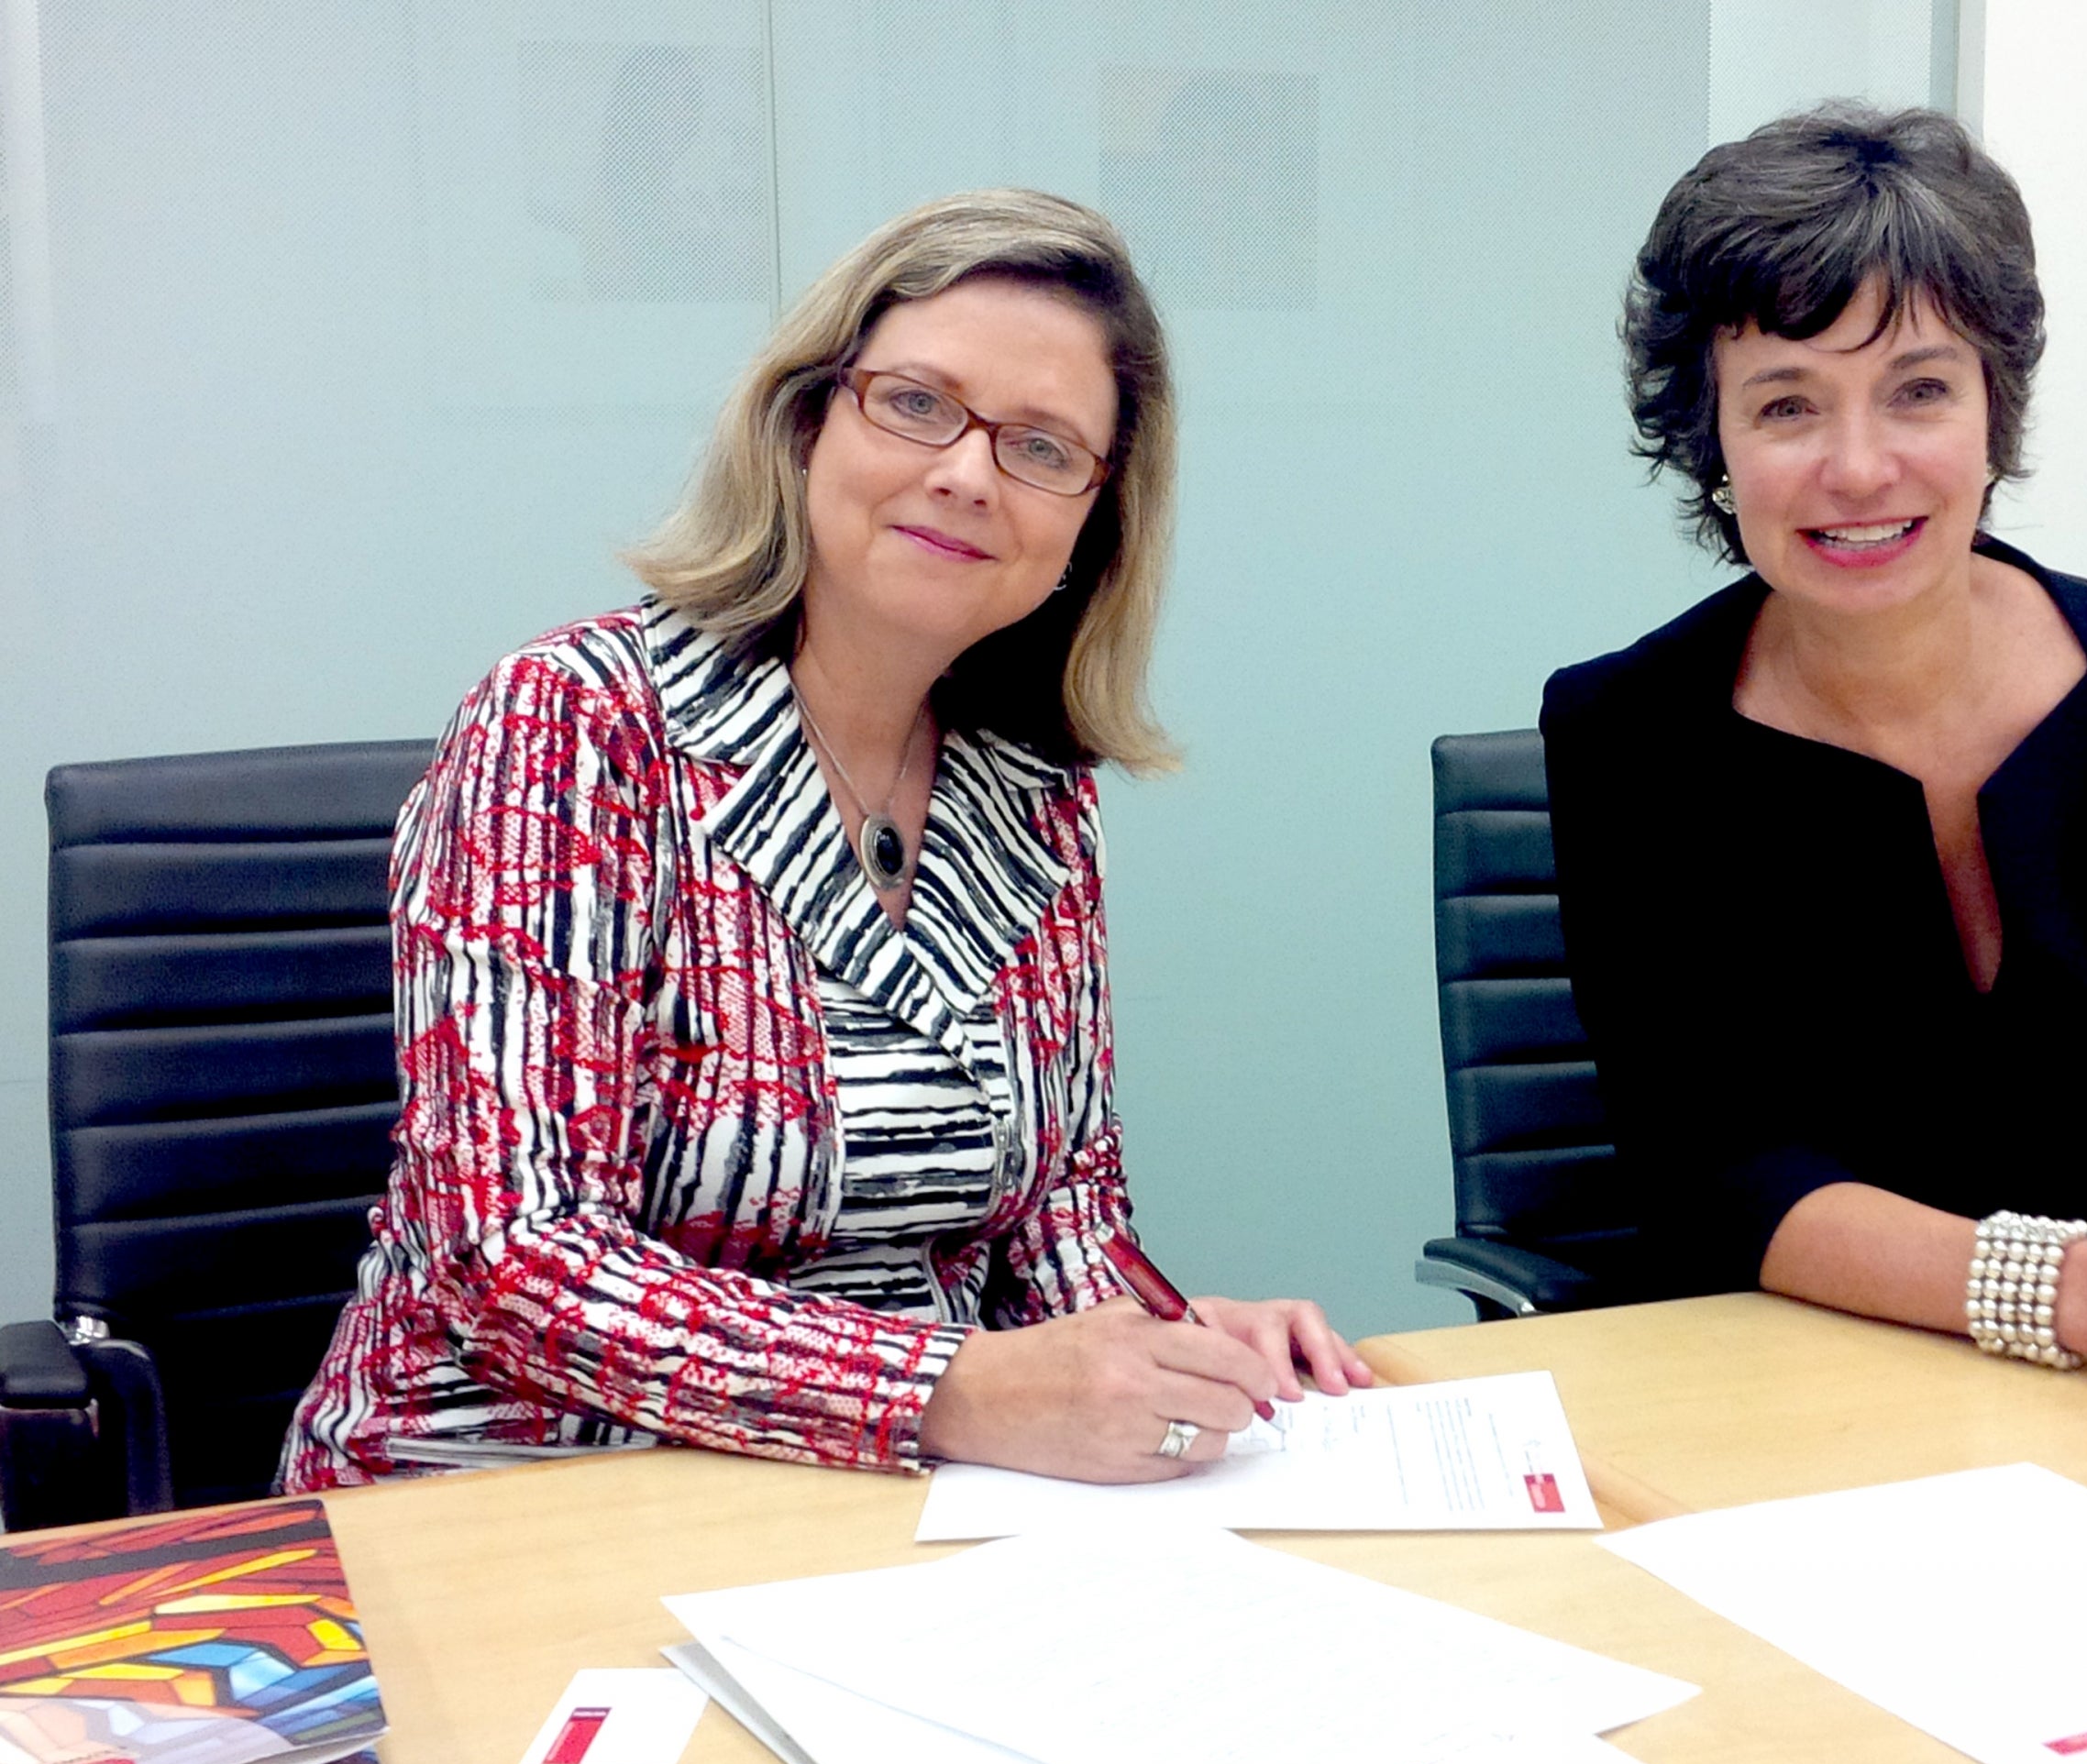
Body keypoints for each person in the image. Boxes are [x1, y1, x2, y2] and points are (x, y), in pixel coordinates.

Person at [282, 190, 1371, 1492]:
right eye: (915, 404)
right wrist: (947, 1387)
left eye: (1041, 447)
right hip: (504, 1491)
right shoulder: (575, 726)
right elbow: (512, 1258)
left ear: (1091, 523)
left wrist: (1177, 1344)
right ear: (807, 423)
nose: (968, 472)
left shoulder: (1031, 795)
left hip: (890, 1505)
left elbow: (1062, 1222)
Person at [1541, 105, 2087, 1419]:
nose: (1859, 465)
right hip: (1787, 1383)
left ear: (1994, 410)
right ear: (1711, 443)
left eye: (1920, 390)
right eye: (1787, 404)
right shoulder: (1630, 729)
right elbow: (1716, 1172)